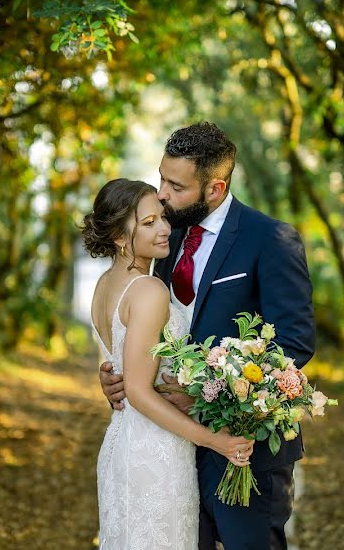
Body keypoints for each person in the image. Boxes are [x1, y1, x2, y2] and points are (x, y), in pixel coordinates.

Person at [99, 123, 315, 550]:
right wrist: (116, 372)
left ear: (215, 188)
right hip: (171, 451)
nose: (161, 193)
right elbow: (137, 324)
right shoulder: (164, 235)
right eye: (161, 177)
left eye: (175, 186)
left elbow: (293, 342)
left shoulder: (270, 239)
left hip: (243, 450)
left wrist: (206, 395)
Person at [84, 178, 255, 550]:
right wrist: (218, 442)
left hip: (121, 442)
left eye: (162, 217)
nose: (165, 229)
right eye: (148, 224)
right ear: (118, 235)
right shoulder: (149, 290)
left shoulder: (103, 285)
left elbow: (121, 369)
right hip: (154, 449)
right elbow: (139, 391)